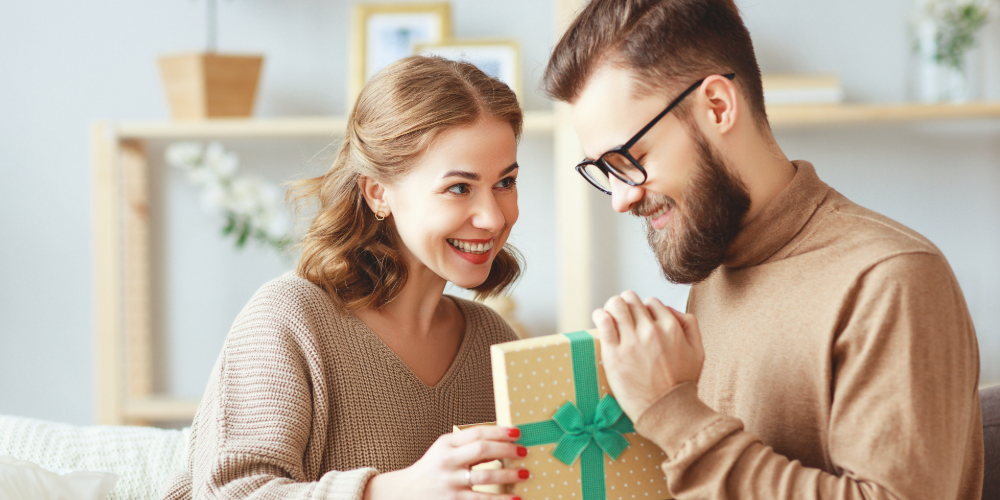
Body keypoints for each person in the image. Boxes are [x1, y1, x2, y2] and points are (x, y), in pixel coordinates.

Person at [542, 0, 983, 499]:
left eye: (632, 157)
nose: (621, 199)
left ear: (717, 106)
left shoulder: (890, 279)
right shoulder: (712, 272)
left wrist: (673, 410)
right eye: (605, 171)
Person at [161, 56, 532, 500]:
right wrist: (391, 491)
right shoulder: (289, 319)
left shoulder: (494, 341)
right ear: (377, 192)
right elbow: (231, 493)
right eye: (459, 188)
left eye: (505, 183)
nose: (492, 218)